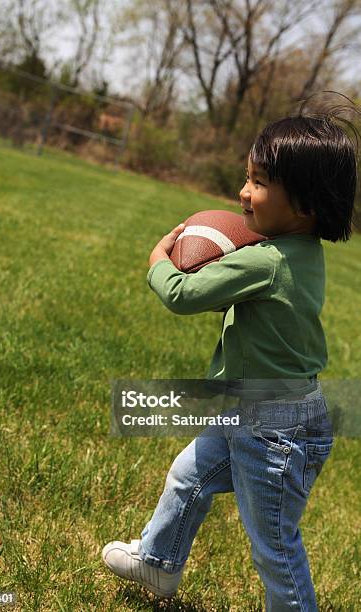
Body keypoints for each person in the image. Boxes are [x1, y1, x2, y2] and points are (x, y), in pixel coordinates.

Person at [101, 109, 358, 610]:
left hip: (271, 429)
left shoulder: (264, 260)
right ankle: (158, 564)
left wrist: (159, 259)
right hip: (261, 411)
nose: (244, 191)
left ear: (304, 203)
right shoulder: (302, 255)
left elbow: (181, 294)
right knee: (188, 477)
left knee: (274, 547)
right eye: (248, 177)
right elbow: (259, 304)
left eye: (259, 182)